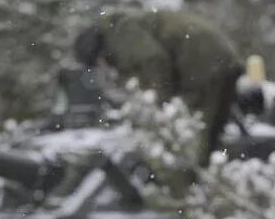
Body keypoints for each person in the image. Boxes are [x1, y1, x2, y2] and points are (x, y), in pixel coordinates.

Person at [73, 9, 242, 166]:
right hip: (215, 55)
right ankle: (214, 179)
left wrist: (159, 104)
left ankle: (195, 186)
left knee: (196, 136)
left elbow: (154, 60)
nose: (102, 67)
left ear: (97, 52)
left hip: (201, 61)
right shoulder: (124, 29)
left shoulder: (120, 34)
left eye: (97, 62)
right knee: (212, 131)